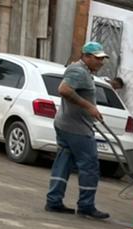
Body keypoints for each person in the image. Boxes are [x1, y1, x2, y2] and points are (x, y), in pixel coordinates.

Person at [45, 42, 110, 219]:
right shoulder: (78, 71)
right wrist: (89, 106)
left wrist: (90, 109)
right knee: (89, 166)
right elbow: (64, 90)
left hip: (68, 124)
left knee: (64, 162)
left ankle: (54, 201)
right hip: (77, 129)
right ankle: (86, 205)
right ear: (86, 56)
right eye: (98, 58)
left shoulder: (83, 72)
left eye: (102, 59)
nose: (101, 62)